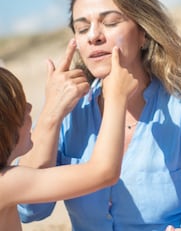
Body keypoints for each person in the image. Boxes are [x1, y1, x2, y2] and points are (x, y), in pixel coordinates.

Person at [18, 0, 181, 231]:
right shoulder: (71, 112)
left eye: (110, 22)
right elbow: (30, 209)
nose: (94, 36)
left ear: (144, 31)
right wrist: (51, 115)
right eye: (82, 28)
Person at [0, 45, 138, 231]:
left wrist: (53, 112)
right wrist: (116, 96)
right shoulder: (7, 182)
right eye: (20, 108)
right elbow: (105, 172)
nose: (30, 107)